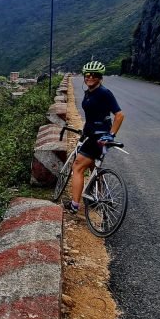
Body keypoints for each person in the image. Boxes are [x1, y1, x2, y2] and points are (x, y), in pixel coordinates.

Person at [63, 60, 124, 214]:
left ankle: (74, 205)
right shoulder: (89, 92)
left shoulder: (104, 93)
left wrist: (111, 135)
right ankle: (98, 197)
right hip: (91, 135)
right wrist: (85, 132)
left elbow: (119, 115)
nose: (90, 77)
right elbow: (91, 117)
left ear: (100, 77)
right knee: (92, 168)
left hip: (100, 137)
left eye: (94, 75)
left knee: (77, 166)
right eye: (87, 75)